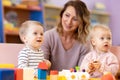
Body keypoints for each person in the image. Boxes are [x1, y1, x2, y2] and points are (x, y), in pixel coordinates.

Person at [41, 0, 90, 71]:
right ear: (61, 15)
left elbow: (81, 72)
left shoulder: (84, 44)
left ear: (81, 22)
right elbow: (41, 68)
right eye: (67, 15)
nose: (69, 21)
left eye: (75, 19)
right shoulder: (48, 37)